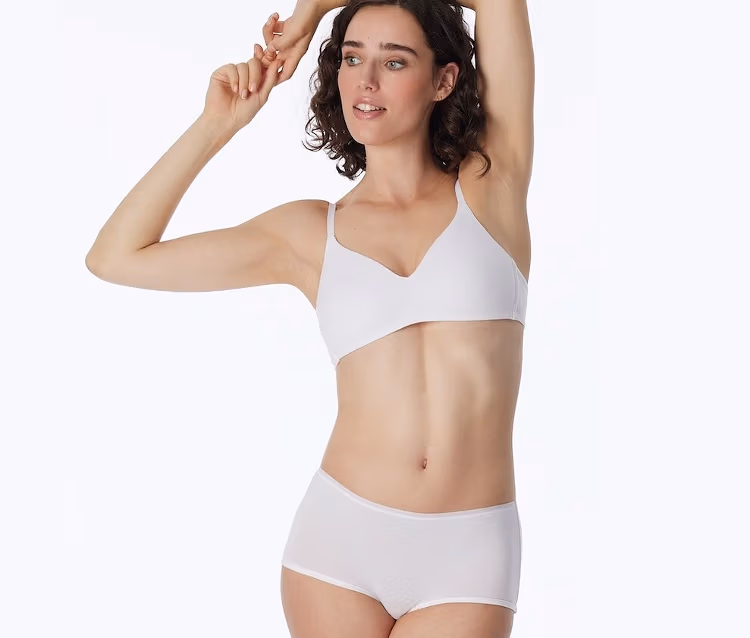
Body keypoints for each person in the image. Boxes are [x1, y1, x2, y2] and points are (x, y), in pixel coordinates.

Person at [85, 0, 534, 636]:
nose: (366, 81)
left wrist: (314, 8)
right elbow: (114, 257)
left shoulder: (492, 186)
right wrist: (217, 125)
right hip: (340, 545)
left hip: (469, 549)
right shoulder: (307, 234)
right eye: (351, 57)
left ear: (444, 80)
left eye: (394, 62)